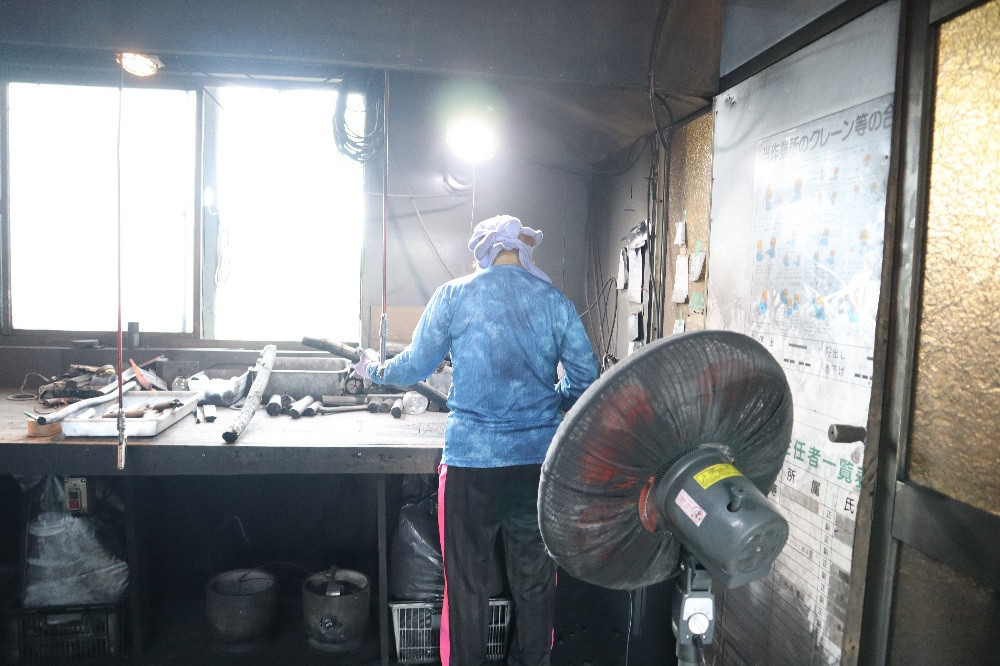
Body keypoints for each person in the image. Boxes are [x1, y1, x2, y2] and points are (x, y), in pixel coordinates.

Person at [355, 215, 599, 665]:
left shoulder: (454, 295)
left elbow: (414, 365)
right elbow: (587, 377)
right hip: (536, 467)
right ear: (524, 249)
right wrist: (551, 400)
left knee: (467, 588)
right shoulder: (554, 302)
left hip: (470, 465)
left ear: (484, 250)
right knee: (536, 584)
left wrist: (374, 368)